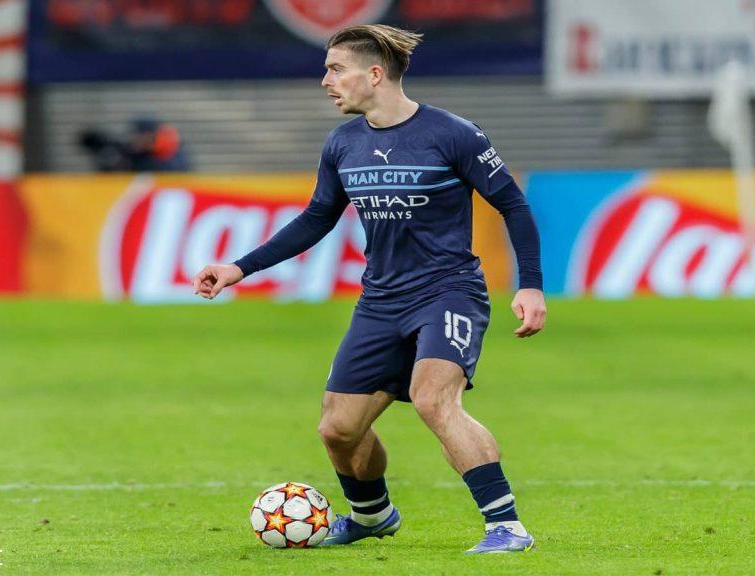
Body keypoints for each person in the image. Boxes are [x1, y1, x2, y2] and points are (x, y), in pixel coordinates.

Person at [193, 24, 545, 554]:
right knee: (337, 429)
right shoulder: (343, 144)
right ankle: (371, 516)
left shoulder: (453, 134)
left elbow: (513, 206)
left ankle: (507, 526)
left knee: (433, 400)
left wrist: (532, 285)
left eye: (336, 69)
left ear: (374, 74)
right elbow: (317, 218)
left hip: (448, 291)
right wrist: (241, 267)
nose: (325, 81)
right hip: (381, 300)